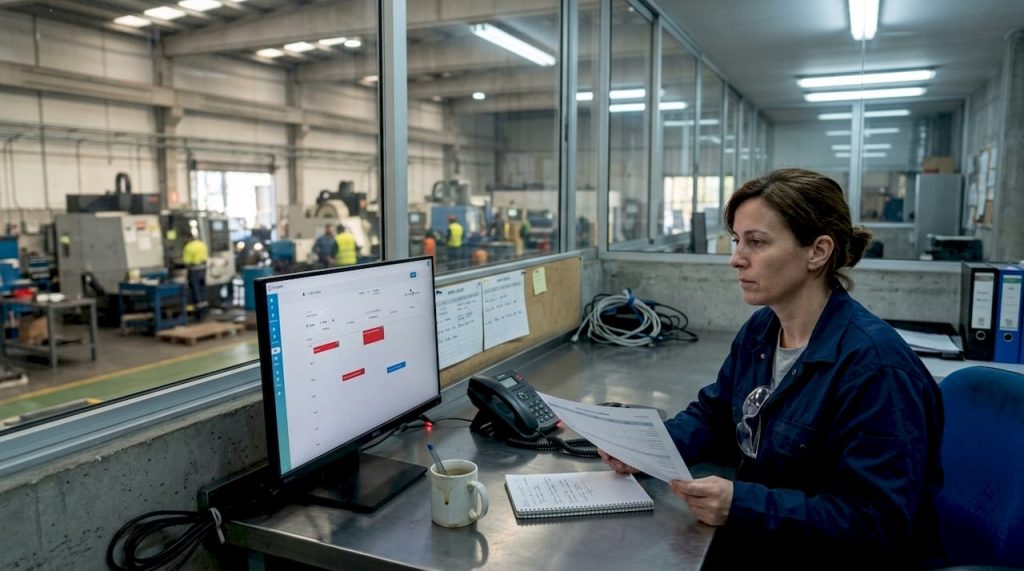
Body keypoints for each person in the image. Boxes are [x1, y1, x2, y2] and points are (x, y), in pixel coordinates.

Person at [600, 168, 944, 568]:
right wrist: (651, 448)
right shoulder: (763, 329)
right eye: (736, 241)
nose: (735, 259)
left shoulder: (874, 369)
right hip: (776, 543)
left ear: (817, 252)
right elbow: (716, 414)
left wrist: (742, 504)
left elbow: (878, 523)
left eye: (756, 242)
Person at [182, 230, 208, 320]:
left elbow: (186, 262)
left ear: (187, 238)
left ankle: (199, 314)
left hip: (194, 271)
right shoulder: (201, 244)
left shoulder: (188, 247)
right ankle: (204, 311)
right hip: (203, 270)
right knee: (202, 289)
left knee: (195, 290)